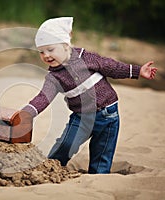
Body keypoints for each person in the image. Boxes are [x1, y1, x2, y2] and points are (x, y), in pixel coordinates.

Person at [22, 17, 157, 174]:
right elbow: (43, 97)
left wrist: (137, 71)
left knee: (102, 155)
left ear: (66, 46)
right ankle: (51, 170)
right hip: (81, 117)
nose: (46, 55)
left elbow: (112, 67)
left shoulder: (87, 58)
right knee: (65, 145)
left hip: (108, 115)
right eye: (41, 52)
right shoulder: (54, 77)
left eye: (50, 50)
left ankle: (98, 176)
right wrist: (28, 112)